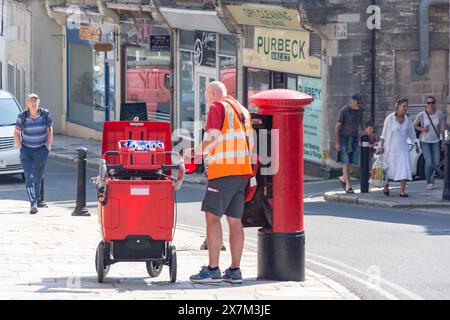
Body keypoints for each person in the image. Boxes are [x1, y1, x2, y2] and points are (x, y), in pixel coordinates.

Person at [185, 81, 253, 284]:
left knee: (212, 217)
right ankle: (235, 270)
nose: (207, 102)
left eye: (206, 97)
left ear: (211, 93)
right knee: (235, 220)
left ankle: (213, 269)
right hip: (243, 171)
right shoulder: (242, 110)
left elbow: (211, 140)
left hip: (223, 170)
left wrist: (193, 153)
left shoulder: (218, 107)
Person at [13, 93, 53, 214]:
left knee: (38, 177)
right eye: (31, 101)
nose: (34, 103)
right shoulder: (22, 116)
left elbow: (49, 131)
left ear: (38, 102)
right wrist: (20, 148)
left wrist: (48, 147)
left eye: (36, 100)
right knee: (29, 177)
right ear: (27, 103)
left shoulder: (45, 114)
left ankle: (35, 201)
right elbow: (16, 133)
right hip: (27, 151)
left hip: (41, 150)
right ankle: (33, 203)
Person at [379, 98, 420, 197]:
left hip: (403, 148)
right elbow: (384, 134)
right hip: (391, 149)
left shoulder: (407, 119)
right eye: (404, 106)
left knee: (404, 169)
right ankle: (386, 187)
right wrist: (381, 146)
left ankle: (402, 191)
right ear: (398, 106)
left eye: (407, 106)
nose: (405, 108)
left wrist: (416, 144)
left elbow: (412, 133)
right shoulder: (390, 118)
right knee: (389, 169)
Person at [413, 96, 445, 190]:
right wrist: (422, 129)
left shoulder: (439, 114)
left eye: (432, 102)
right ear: (426, 104)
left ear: (435, 103)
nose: (430, 104)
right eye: (428, 103)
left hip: (435, 141)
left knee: (435, 162)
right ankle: (429, 182)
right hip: (425, 141)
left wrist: (443, 141)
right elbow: (414, 125)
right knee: (429, 162)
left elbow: (442, 129)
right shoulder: (422, 114)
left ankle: (430, 177)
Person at [335, 93, 364, 193]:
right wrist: (337, 142)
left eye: (360, 102)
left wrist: (364, 132)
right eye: (358, 102)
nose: (359, 104)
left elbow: (361, 122)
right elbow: (338, 126)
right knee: (345, 161)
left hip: (354, 138)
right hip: (344, 138)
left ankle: (343, 178)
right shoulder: (344, 110)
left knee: (354, 164)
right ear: (352, 101)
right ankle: (348, 186)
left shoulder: (360, 110)